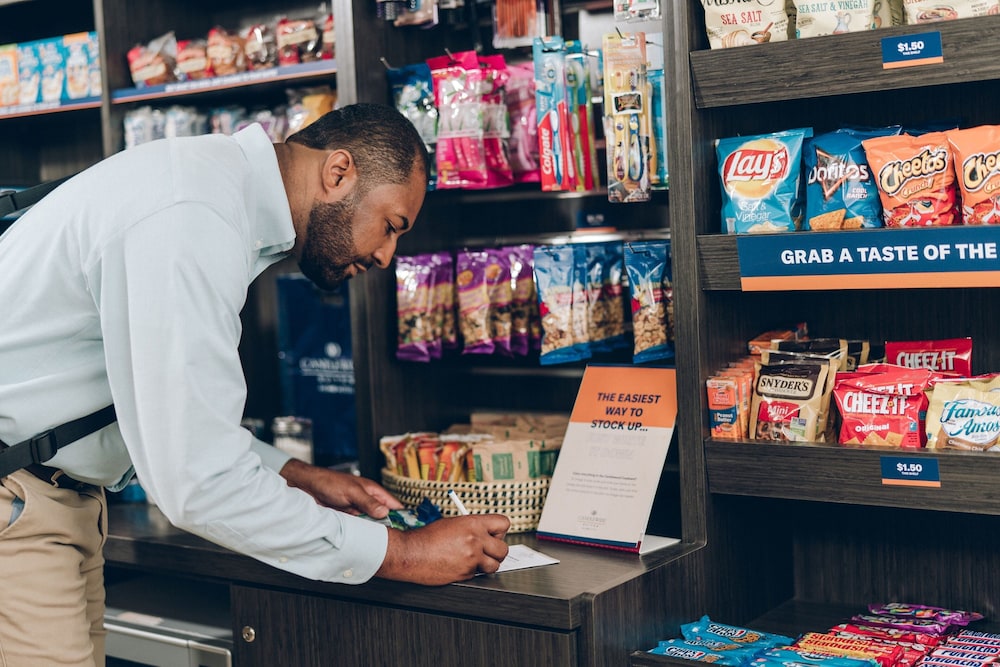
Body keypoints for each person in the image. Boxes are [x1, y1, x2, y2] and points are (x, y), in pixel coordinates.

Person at [0, 103, 511, 666]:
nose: (387, 256)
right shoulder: (190, 215)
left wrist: (296, 475)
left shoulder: (211, 192)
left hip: (54, 500)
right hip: (17, 501)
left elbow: (173, 416)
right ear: (338, 172)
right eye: (391, 226)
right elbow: (197, 481)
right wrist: (406, 553)